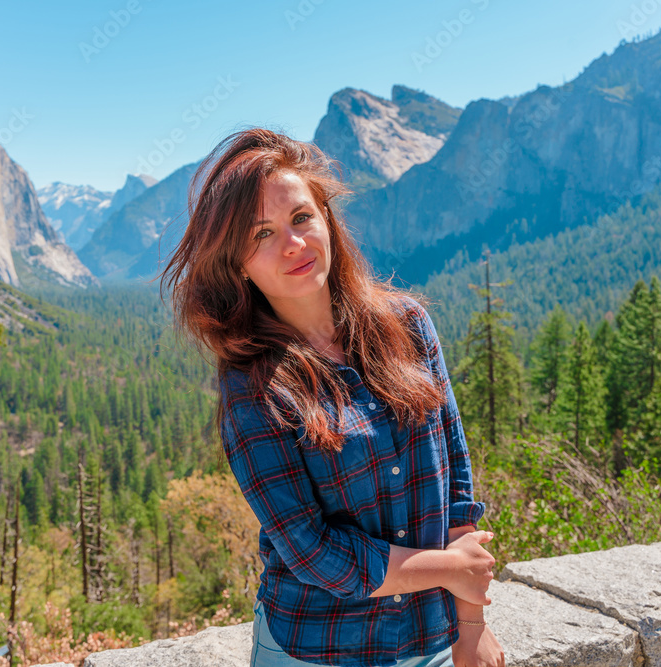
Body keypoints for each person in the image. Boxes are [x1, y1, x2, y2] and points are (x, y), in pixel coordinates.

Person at [159, 127, 505, 667]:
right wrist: (449, 570)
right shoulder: (252, 385)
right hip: (318, 650)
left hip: (431, 640)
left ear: (326, 219)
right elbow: (311, 550)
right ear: (237, 265)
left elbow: (457, 482)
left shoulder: (410, 326)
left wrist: (472, 626)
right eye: (261, 235)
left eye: (301, 218)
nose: (293, 244)